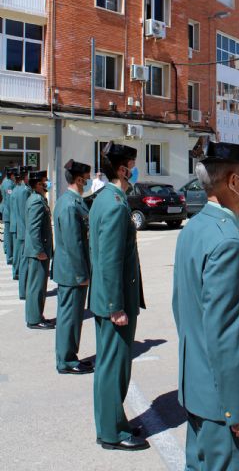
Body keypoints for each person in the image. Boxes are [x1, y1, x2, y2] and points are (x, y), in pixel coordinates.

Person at [173, 141, 239, 471]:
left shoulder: (196, 227)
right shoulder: (227, 240)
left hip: (199, 387)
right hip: (223, 402)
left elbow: (182, 309)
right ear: (232, 182)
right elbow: (226, 335)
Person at [89, 142, 148, 451]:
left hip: (107, 297)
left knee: (110, 366)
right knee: (114, 368)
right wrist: (115, 306)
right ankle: (112, 432)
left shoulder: (105, 199)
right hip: (114, 301)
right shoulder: (114, 203)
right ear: (123, 169)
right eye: (133, 165)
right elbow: (110, 258)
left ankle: (115, 422)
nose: (134, 170)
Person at [53, 160, 94, 375]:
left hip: (70, 271)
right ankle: (66, 360)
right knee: (69, 317)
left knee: (71, 316)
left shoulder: (71, 201)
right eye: (86, 178)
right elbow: (73, 242)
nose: (88, 181)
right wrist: (81, 273)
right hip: (72, 272)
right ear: (78, 179)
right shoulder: (69, 204)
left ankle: (69, 356)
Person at [24, 170, 55, 330]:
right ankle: (34, 319)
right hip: (38, 253)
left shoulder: (38, 198)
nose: (47, 183)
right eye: (45, 181)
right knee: (36, 287)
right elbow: (34, 229)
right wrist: (39, 250)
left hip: (39, 250)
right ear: (37, 184)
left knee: (38, 286)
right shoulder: (36, 201)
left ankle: (36, 316)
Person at [12, 166, 33, 300]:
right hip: (25, 230)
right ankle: (24, 291)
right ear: (25, 176)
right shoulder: (25, 191)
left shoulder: (16, 190)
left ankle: (23, 289)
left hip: (20, 228)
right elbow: (26, 213)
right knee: (25, 262)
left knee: (21, 259)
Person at [0, 166, 17, 266]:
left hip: (6, 209)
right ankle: (10, 256)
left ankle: (7, 249)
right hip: (9, 211)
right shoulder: (9, 184)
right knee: (9, 234)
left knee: (7, 233)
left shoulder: (5, 181)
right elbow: (10, 200)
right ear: (11, 174)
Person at [9, 168, 22, 280]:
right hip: (19, 225)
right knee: (18, 250)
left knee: (17, 250)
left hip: (15, 223)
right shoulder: (20, 191)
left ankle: (16, 271)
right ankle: (16, 271)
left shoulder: (15, 190)